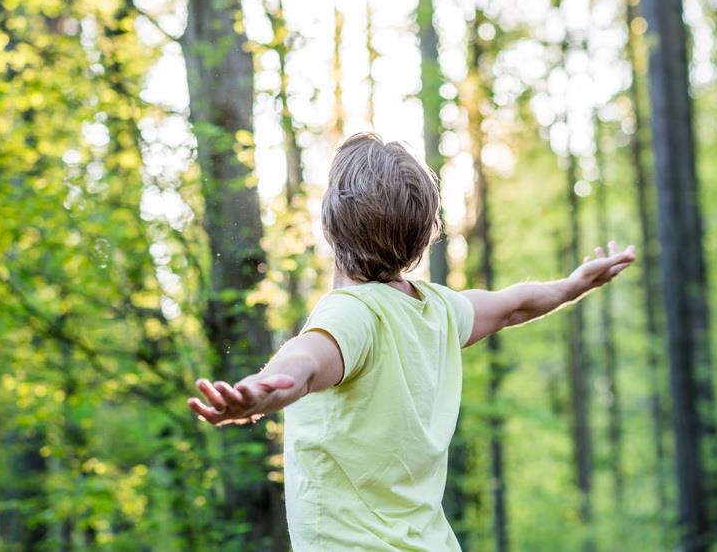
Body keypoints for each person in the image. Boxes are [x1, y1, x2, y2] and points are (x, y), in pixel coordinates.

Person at [188, 132, 635, 550]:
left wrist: (261, 391)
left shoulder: (351, 312)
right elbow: (513, 306)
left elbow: (305, 362)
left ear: (329, 224)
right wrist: (574, 285)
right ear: (424, 236)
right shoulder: (437, 310)